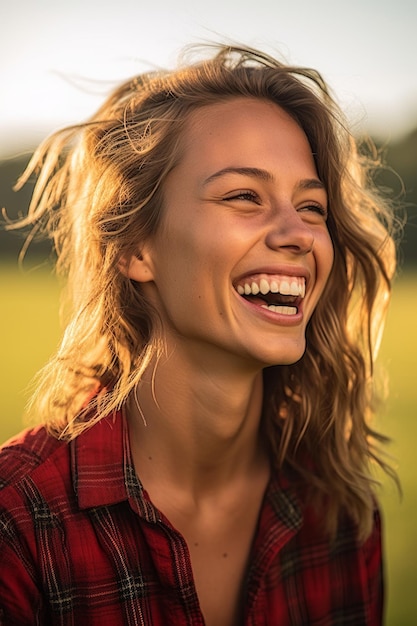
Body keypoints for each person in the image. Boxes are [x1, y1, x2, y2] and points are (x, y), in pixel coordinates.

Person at [0, 44, 398, 625]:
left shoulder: (339, 514)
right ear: (137, 247)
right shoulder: (18, 524)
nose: (298, 234)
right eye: (244, 196)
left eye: (312, 207)